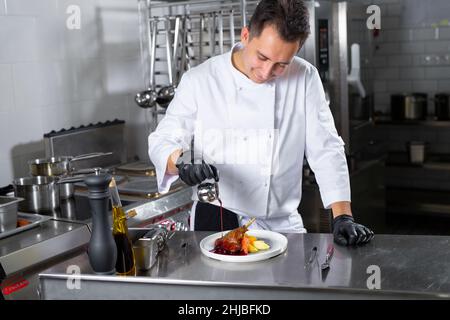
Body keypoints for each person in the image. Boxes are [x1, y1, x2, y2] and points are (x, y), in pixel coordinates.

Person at [149, 0, 374, 246]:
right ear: (246, 35)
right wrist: (181, 161)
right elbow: (164, 140)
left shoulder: (305, 77)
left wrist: (342, 215)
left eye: (281, 65)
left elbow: (326, 148)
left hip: (282, 224)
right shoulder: (200, 79)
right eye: (262, 57)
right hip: (218, 218)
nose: (266, 72)